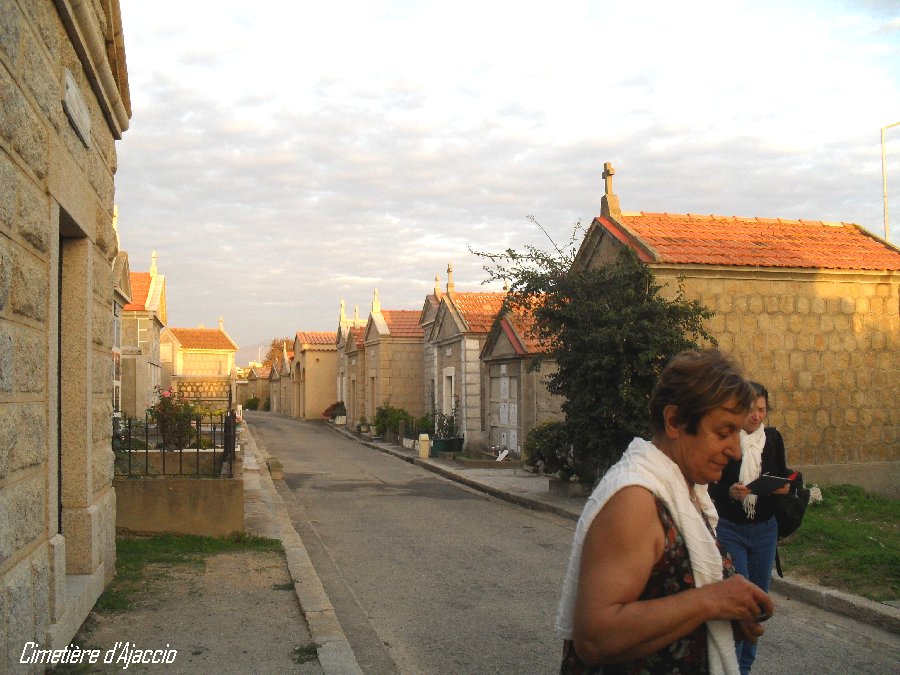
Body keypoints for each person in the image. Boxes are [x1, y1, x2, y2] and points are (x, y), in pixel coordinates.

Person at [556, 349, 773, 675]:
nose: (735, 451)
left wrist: (728, 605)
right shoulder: (636, 501)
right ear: (674, 421)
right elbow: (594, 638)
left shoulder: (685, 491)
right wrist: (711, 601)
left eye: (737, 434)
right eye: (723, 433)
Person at [709, 382, 790, 675]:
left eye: (762, 409)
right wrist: (729, 492)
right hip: (731, 529)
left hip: (765, 531)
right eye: (751, 409)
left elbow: (783, 474)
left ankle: (744, 668)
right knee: (740, 601)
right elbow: (711, 485)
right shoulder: (727, 439)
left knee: (757, 605)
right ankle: (730, 666)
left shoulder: (773, 439)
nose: (756, 416)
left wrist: (782, 487)